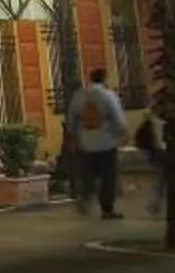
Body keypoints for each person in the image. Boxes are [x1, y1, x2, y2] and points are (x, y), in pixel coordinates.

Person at [69, 67, 127, 219]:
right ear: (104, 79)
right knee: (108, 176)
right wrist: (122, 132)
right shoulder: (108, 95)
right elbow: (117, 117)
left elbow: (72, 118)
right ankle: (107, 209)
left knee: (87, 173)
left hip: (85, 141)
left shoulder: (79, 95)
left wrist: (74, 136)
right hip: (106, 141)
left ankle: (85, 196)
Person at [133, 112, 165, 217]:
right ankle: (155, 203)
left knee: (160, 179)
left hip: (156, 150)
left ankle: (154, 203)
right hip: (164, 150)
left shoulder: (154, 117)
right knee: (162, 179)